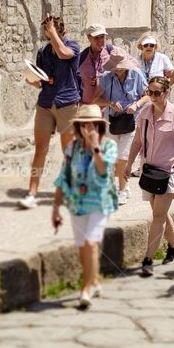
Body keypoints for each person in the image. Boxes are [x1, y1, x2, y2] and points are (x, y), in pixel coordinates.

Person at [52, 105, 119, 309]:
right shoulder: (72, 148)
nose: (87, 128)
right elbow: (63, 176)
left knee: (90, 244)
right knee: (83, 247)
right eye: (84, 124)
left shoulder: (108, 146)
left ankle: (85, 289)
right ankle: (95, 280)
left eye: (92, 124)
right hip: (77, 203)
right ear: (78, 126)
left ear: (99, 126)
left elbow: (102, 171)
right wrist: (55, 207)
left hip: (100, 202)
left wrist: (95, 146)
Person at [125, 76, 174, 276]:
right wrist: (128, 165)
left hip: (170, 170)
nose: (153, 96)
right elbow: (137, 142)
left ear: (166, 93)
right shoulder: (144, 113)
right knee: (160, 212)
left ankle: (148, 259)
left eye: (157, 93)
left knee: (157, 215)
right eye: (149, 92)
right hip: (150, 171)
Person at [19, 14, 81, 210]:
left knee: (69, 152)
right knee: (40, 150)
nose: (51, 37)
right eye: (48, 33)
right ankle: (32, 193)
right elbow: (41, 81)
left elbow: (63, 53)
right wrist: (31, 80)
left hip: (68, 104)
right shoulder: (43, 52)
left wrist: (52, 31)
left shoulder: (73, 46)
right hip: (46, 103)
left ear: (63, 31)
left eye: (55, 31)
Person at [93, 50, 148, 205]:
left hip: (131, 121)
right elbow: (95, 99)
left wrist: (136, 104)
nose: (118, 70)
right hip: (112, 122)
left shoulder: (136, 75)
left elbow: (147, 95)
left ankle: (122, 190)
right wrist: (110, 103)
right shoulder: (106, 78)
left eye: (121, 67)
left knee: (123, 158)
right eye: (115, 67)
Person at [78, 23, 114, 105]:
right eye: (96, 37)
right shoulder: (82, 57)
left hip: (108, 108)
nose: (100, 40)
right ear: (89, 38)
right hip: (87, 107)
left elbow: (132, 64)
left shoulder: (111, 52)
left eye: (102, 37)